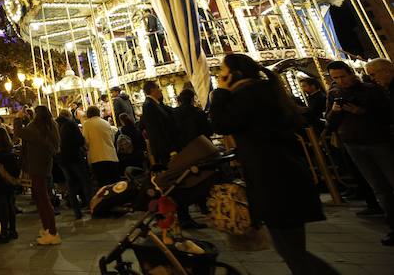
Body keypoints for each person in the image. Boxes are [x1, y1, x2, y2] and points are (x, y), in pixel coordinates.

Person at [211, 53, 337, 274]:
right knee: (292, 247)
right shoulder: (265, 91)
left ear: (234, 74)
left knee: (290, 250)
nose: (219, 75)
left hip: (272, 178)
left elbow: (222, 124)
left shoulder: (247, 95)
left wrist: (219, 92)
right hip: (284, 173)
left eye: (222, 71)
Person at [325, 60, 394, 246]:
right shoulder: (334, 93)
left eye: (343, 76)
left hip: (377, 141)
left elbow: (387, 114)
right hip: (353, 144)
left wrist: (361, 111)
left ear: (350, 73)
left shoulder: (370, 90)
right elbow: (330, 122)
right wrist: (334, 111)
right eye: (335, 78)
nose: (340, 81)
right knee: (379, 187)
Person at [15, 105, 62, 245]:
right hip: (42, 165)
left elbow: (20, 132)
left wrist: (17, 118)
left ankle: (52, 232)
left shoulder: (37, 130)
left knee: (43, 199)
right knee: (40, 197)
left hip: (37, 166)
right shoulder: (48, 127)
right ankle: (47, 228)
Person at [55, 108, 91, 220]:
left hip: (62, 159)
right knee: (85, 181)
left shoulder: (55, 126)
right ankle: (92, 206)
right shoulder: (71, 124)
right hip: (74, 156)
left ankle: (77, 212)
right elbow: (80, 140)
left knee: (70, 184)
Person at [139, 80, 181, 166]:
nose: (160, 90)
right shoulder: (149, 105)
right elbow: (157, 131)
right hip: (164, 150)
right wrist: (170, 150)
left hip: (165, 148)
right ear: (152, 90)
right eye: (158, 87)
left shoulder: (154, 104)